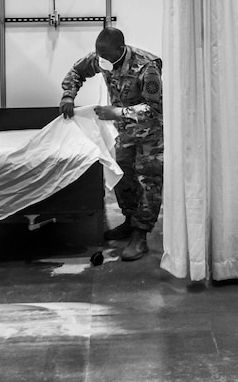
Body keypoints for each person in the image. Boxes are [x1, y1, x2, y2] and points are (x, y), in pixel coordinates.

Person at [61, 27, 162, 262]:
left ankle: (141, 235)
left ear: (120, 49)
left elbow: (155, 109)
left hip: (151, 135)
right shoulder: (102, 58)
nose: (100, 60)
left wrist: (117, 111)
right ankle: (129, 220)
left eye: (105, 55)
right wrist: (68, 95)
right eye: (98, 55)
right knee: (121, 174)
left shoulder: (147, 67)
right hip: (126, 132)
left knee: (149, 181)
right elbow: (77, 71)